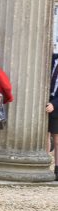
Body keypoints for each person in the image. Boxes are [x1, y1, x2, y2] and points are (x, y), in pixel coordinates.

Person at [46, 53, 58, 181]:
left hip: (57, 104)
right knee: (44, 136)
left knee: (57, 139)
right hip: (45, 101)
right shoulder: (52, 58)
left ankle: (57, 169)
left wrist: (54, 104)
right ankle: (44, 165)